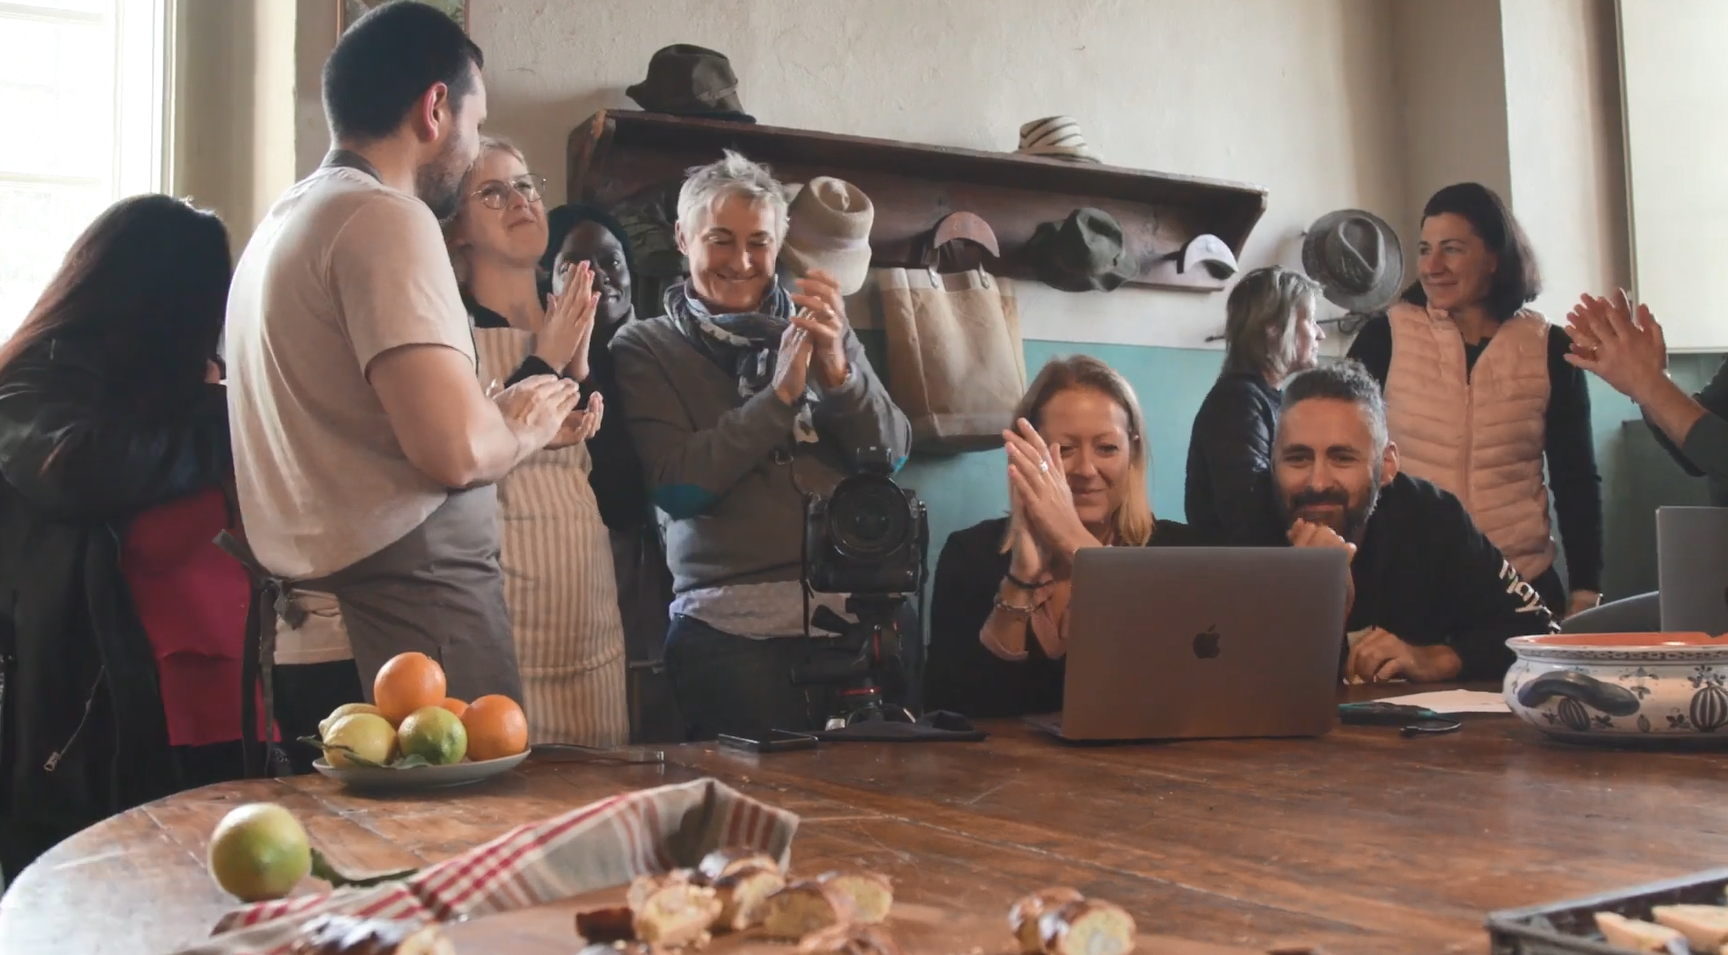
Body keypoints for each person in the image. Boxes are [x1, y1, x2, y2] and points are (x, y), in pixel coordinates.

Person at [223, 2, 580, 767]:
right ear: (435, 108)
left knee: (357, 879)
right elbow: (451, 450)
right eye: (477, 125)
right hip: (404, 647)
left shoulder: (279, 226)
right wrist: (520, 420)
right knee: (454, 874)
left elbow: (354, 432)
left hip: (311, 641)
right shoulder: (385, 217)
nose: (475, 145)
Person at [611, 150, 912, 741]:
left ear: (779, 246)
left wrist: (840, 376)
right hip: (731, 634)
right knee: (760, 819)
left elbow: (892, 453)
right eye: (720, 240)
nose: (742, 261)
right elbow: (678, 484)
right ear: (682, 237)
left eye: (760, 243)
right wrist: (777, 402)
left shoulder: (821, 320)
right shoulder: (645, 346)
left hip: (865, 614)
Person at [0, 196, 254, 876]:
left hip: (209, 703)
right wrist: (230, 416)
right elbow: (81, 469)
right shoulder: (37, 380)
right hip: (101, 724)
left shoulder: (164, 398)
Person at [1347, 183, 1602, 621]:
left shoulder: (1549, 347)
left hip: (1521, 581)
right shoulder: (1383, 337)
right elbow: (1346, 456)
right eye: (1425, 249)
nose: (1433, 266)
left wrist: (1586, 589)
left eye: (1452, 249)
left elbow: (1575, 476)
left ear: (1495, 258)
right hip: (1406, 586)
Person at [444, 138, 627, 748]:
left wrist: (579, 375)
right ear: (458, 229)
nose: (519, 200)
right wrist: (545, 360)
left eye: (526, 185)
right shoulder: (448, 337)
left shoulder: (577, 318)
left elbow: (624, 495)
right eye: (493, 192)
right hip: (503, 611)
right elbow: (459, 468)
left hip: (586, 610)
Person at [924, 356, 1210, 718]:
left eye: (1107, 448)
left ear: (1133, 453)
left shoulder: (1183, 555)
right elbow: (951, 712)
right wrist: (1020, 580)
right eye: (1064, 450)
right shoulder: (969, 554)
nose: (1087, 470)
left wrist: (1076, 546)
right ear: (1027, 454)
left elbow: (1184, 698)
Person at [1274, 361, 1556, 683]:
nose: (1318, 482)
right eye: (1298, 458)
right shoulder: (1237, 525)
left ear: (1387, 465)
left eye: (1342, 458)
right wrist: (1320, 604)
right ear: (1272, 462)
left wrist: (1441, 658)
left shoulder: (1433, 518)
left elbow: (1538, 630)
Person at [545, 203, 681, 742]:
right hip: (578, 569)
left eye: (610, 260)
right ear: (547, 279)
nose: (598, 276)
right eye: (574, 263)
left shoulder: (662, 352)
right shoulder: (544, 368)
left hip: (664, 568)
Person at [1185, 266, 1325, 544]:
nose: (1320, 334)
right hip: (1239, 577)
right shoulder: (1237, 404)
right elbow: (1250, 520)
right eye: (1310, 320)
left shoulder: (1266, 399)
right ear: (1273, 328)